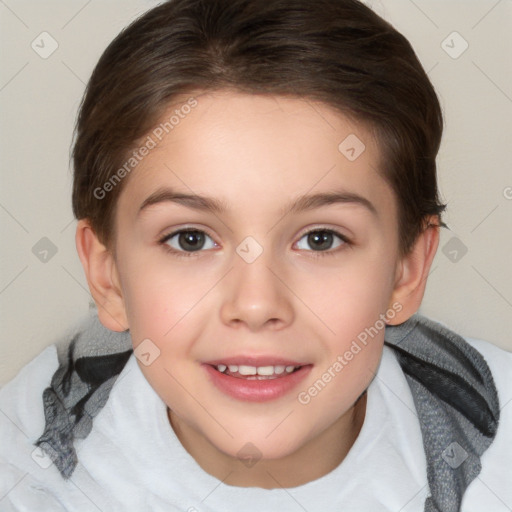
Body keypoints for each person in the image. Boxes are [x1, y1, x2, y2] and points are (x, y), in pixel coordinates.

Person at [1, 0, 510, 510]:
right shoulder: (24, 473)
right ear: (108, 277)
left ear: (407, 271)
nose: (256, 304)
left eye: (320, 239)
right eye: (190, 239)